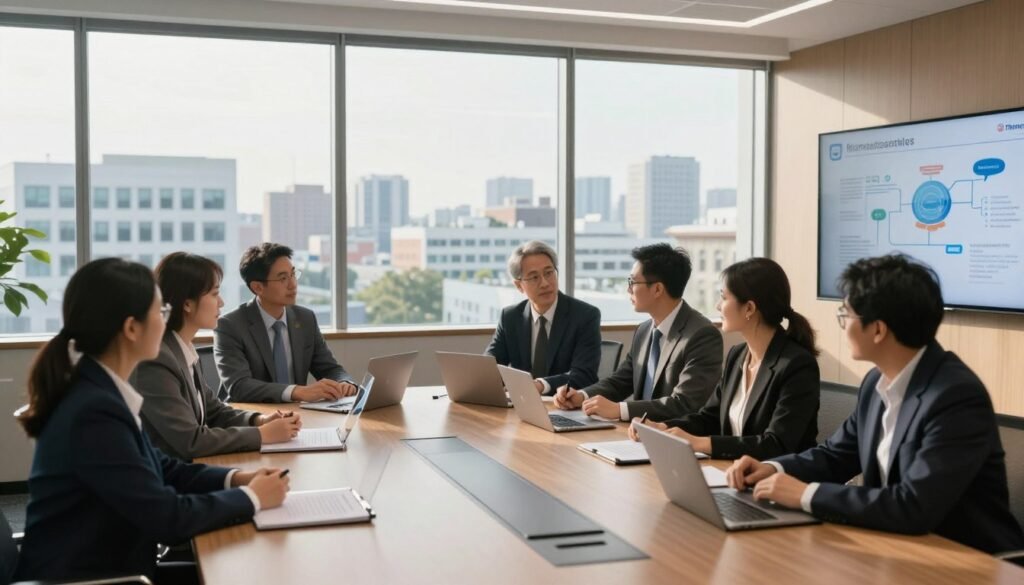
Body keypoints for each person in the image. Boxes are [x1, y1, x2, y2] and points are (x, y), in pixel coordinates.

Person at [725, 254, 1024, 554]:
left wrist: (806, 494)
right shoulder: (875, 382)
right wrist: (772, 467)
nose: (843, 326)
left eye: (846, 315)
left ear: (878, 330)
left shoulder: (955, 396)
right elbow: (836, 455)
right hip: (898, 546)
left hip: (971, 559)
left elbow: (914, 505)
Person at [13, 258, 290, 583]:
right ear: (131, 328)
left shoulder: (100, 391)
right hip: (95, 578)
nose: (166, 320)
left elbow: (164, 468)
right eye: (160, 311)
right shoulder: (94, 412)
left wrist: (237, 478)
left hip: (118, 566)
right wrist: (252, 497)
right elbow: (168, 519)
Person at [629, 257, 820, 460]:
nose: (718, 306)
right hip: (731, 469)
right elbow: (709, 418)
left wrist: (700, 443)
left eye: (724, 297)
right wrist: (663, 427)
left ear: (749, 308)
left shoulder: (796, 365)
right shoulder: (737, 355)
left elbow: (776, 444)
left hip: (777, 475)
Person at [132, 252, 303, 460]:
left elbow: (215, 412)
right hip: (170, 474)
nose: (221, 303)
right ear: (187, 304)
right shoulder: (157, 359)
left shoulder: (182, 349)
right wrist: (262, 435)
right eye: (214, 294)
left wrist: (260, 420)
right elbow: (191, 440)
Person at [555, 243, 723, 421]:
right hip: (636, 432)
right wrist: (581, 396)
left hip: (671, 434)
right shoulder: (644, 330)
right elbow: (621, 381)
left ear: (657, 289)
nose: (628, 289)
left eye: (632, 282)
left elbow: (685, 403)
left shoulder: (702, 335)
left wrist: (620, 410)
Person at [214, 243, 356, 403]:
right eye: (283, 278)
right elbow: (239, 386)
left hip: (297, 413)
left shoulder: (305, 318)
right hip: (252, 414)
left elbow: (329, 368)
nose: (293, 284)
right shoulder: (230, 326)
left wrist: (344, 382)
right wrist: (296, 391)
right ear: (258, 287)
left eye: (293, 274)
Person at [485, 240, 601, 394]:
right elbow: (491, 366)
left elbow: (584, 375)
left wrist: (540, 385)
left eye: (549, 273)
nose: (545, 283)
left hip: (566, 404)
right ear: (519, 285)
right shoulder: (510, 317)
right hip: (522, 404)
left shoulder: (585, 316)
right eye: (534, 277)